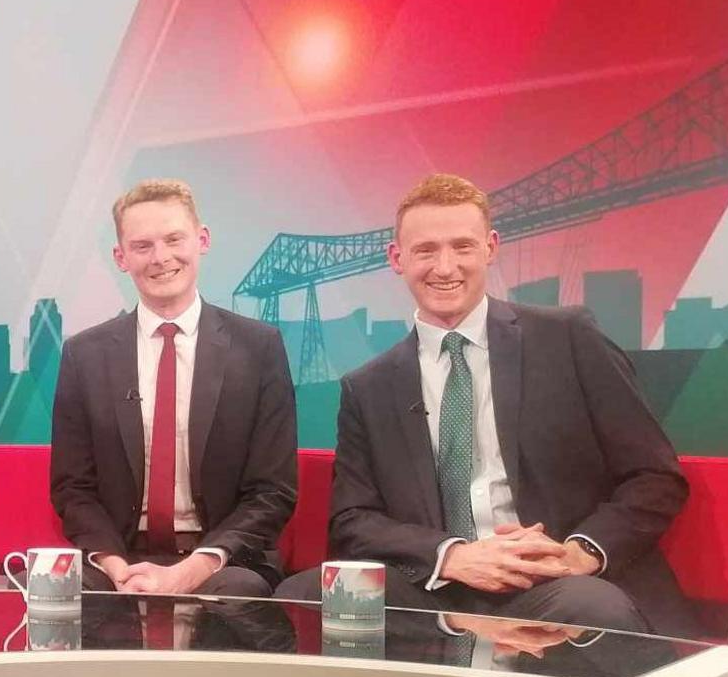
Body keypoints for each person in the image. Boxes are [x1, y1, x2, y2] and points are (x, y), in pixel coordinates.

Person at [281, 173, 695, 637]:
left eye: (462, 246)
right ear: (397, 259)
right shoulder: (369, 386)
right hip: (441, 583)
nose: (445, 267)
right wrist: (452, 555)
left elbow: (654, 478)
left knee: (586, 608)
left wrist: (577, 553)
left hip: (555, 577)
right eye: (425, 250)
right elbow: (353, 520)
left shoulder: (569, 338)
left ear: (491, 248)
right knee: (301, 597)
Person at [50, 179, 297, 597]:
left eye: (174, 239)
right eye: (142, 246)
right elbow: (72, 489)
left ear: (202, 240)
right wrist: (117, 567)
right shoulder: (84, 355)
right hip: (119, 557)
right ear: (121, 257)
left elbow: (272, 491)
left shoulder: (259, 348)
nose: (161, 258)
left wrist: (189, 572)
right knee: (69, 599)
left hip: (224, 559)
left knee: (234, 599)